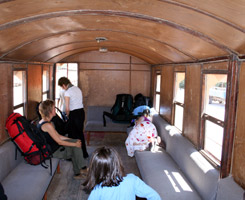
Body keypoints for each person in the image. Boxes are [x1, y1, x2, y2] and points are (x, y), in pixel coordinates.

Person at [83, 146, 161, 200]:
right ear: (117, 162)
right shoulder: (132, 180)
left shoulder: (98, 189)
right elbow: (155, 196)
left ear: (95, 169)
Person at [38, 99, 88, 179]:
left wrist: (72, 140)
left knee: (76, 142)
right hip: (53, 151)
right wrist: (74, 144)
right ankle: (82, 169)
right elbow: (59, 141)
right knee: (75, 147)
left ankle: (79, 172)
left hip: (54, 147)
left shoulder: (45, 121)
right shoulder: (47, 125)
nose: (55, 109)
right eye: (54, 108)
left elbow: (58, 136)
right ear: (49, 111)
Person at [58, 77, 88, 158]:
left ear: (64, 85)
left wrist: (68, 116)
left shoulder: (67, 92)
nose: (62, 88)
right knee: (80, 133)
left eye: (62, 87)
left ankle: (73, 155)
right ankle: (84, 153)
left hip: (74, 114)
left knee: (72, 135)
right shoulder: (77, 88)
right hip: (81, 112)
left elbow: (67, 108)